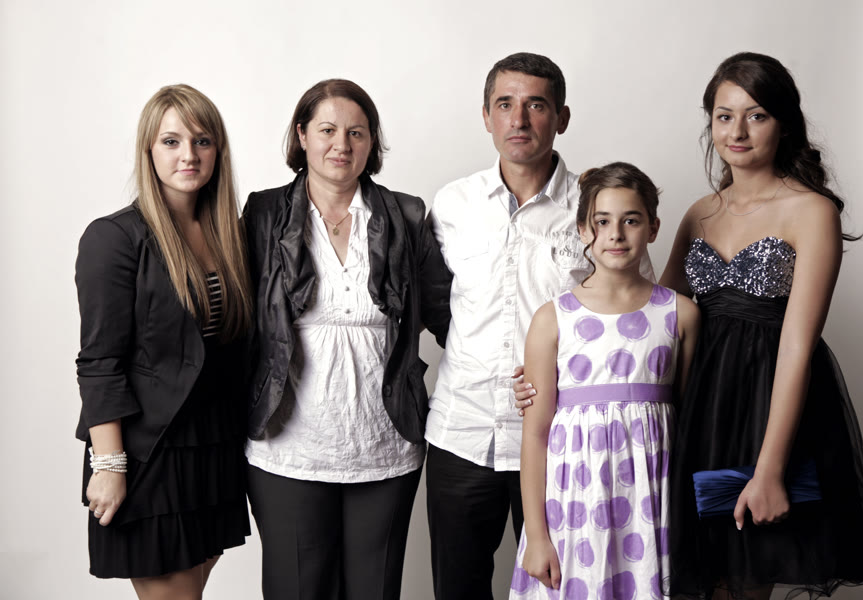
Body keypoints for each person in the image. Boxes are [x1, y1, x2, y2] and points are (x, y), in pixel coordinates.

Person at [660, 52, 863, 599]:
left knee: (748, 577)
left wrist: (769, 468)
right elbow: (657, 316)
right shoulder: (699, 212)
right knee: (700, 579)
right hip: (701, 405)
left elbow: (797, 346)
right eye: (724, 116)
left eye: (756, 115)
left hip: (768, 404)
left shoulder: (811, 210)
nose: (737, 131)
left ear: (784, 123)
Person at [242, 78, 452, 600]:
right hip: (288, 445)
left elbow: (448, 314)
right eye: (327, 130)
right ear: (302, 135)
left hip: (385, 443)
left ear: (371, 142)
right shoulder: (264, 214)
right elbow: (238, 320)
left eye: (356, 132)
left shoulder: (406, 215)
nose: (342, 144)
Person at [425, 52, 594, 599]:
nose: (518, 119)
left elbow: (626, 310)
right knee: (459, 590)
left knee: (559, 589)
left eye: (536, 105)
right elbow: (436, 305)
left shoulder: (594, 205)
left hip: (560, 438)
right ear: (486, 116)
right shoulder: (452, 204)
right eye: (505, 105)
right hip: (462, 431)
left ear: (561, 117)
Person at [74, 84, 253, 597]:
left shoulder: (228, 234)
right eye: (171, 141)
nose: (188, 155)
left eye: (202, 141)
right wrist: (109, 466)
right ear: (149, 150)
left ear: (218, 150)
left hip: (212, 446)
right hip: (148, 453)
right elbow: (99, 362)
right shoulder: (114, 238)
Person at [510, 162, 700, 600]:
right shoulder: (552, 319)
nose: (616, 234)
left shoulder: (680, 314)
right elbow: (535, 435)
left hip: (651, 502)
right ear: (582, 230)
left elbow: (688, 417)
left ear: (653, 228)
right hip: (575, 502)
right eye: (602, 222)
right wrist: (537, 535)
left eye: (631, 220)